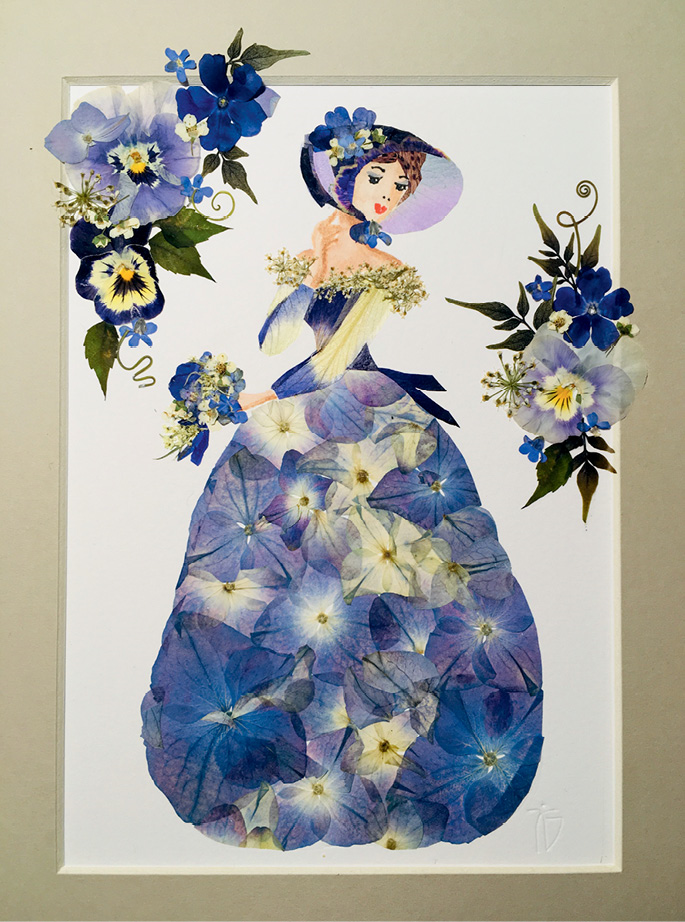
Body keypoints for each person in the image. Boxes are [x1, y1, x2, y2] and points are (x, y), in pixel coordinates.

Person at [141, 106, 543, 852]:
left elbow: (326, 361)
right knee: (278, 565)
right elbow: (276, 334)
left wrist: (255, 397)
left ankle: (387, 750)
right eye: (378, 178)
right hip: (309, 400)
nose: (387, 194)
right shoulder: (327, 242)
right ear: (347, 177)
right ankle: (284, 744)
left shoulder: (383, 269)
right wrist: (306, 278)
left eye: (399, 186)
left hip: (348, 404)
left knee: (385, 566)